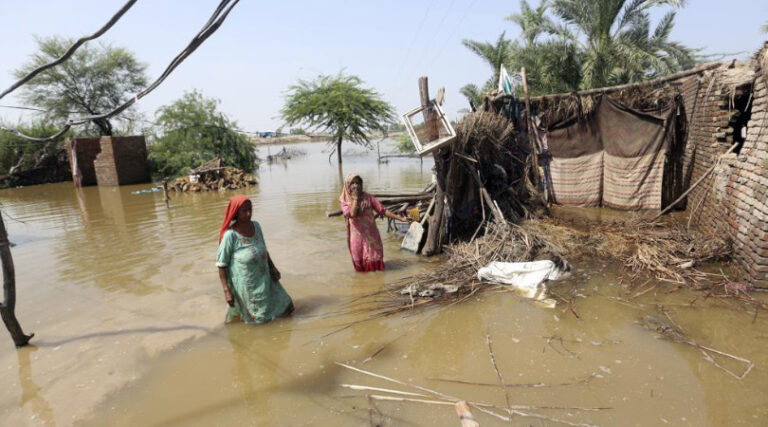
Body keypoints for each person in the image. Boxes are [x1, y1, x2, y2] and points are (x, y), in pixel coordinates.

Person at [216, 195, 293, 324]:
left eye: (250, 209)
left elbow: (264, 249)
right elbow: (221, 264)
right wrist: (226, 291)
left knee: (286, 308)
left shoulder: (256, 226)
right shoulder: (230, 236)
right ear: (236, 213)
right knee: (259, 320)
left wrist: (273, 267)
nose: (249, 213)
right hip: (248, 284)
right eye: (244, 211)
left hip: (265, 277)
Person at [339, 174, 409, 272]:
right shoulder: (345, 201)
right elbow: (353, 214)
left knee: (376, 268)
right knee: (361, 270)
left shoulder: (368, 197)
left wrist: (399, 218)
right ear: (347, 186)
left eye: (358, 183)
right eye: (353, 183)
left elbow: (382, 210)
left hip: (372, 237)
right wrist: (356, 199)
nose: (356, 186)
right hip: (357, 239)